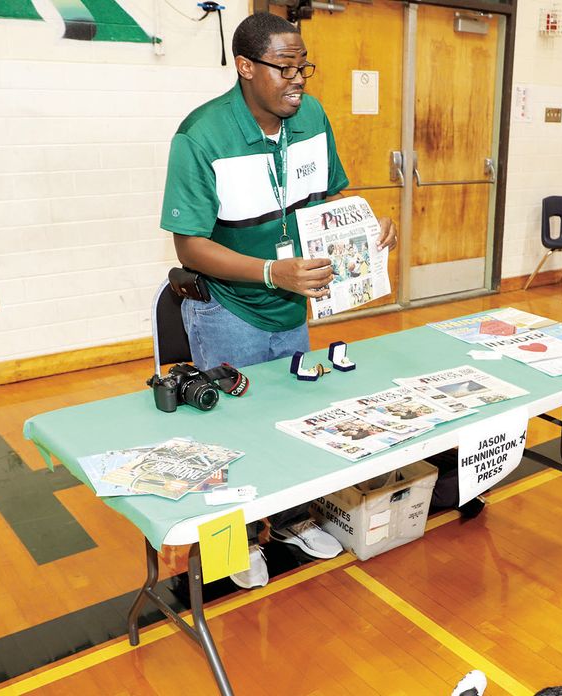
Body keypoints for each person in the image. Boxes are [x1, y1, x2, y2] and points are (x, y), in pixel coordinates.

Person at [159, 12, 398, 588]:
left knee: (292, 420)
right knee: (237, 432)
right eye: (285, 68)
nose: (298, 80)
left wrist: (363, 223)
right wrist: (272, 272)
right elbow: (189, 245)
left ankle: (288, 522)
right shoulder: (201, 136)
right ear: (245, 67)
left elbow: (332, 192)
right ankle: (238, 542)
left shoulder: (311, 116)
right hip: (228, 311)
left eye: (304, 67)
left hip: (292, 304)